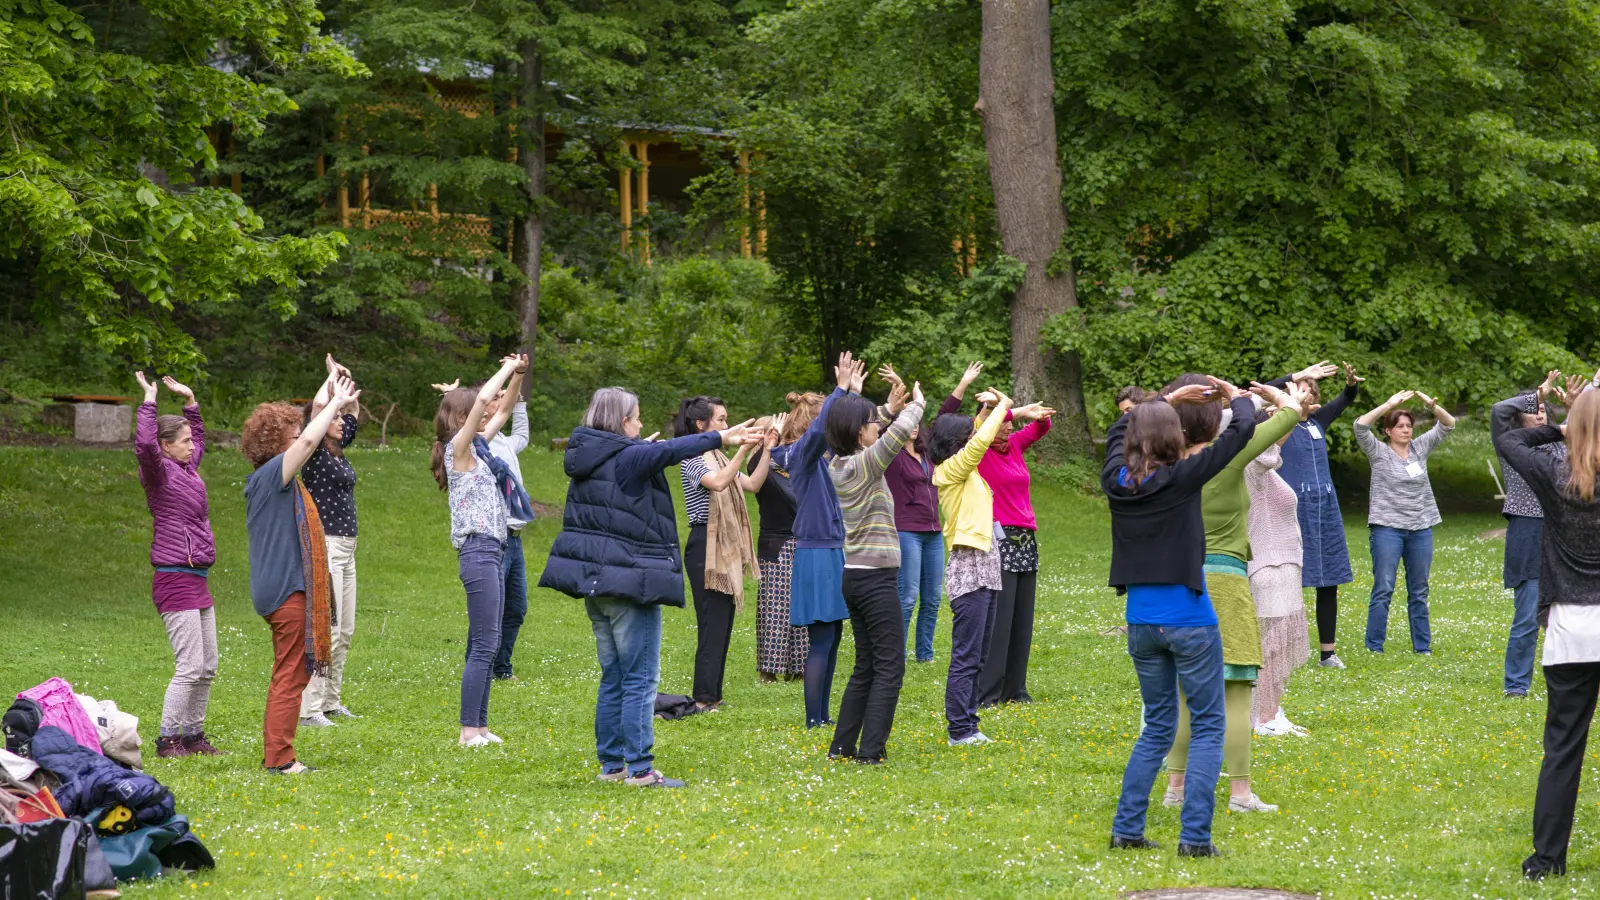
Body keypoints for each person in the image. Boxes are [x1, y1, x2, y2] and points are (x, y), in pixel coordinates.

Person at [539, 387, 759, 787]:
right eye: (637, 418)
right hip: (629, 583)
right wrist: (722, 438)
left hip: (598, 584)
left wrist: (641, 450)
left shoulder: (591, 456)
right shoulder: (629, 457)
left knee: (614, 676)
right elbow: (671, 452)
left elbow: (643, 461)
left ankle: (612, 766)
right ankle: (640, 769)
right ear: (623, 422)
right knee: (640, 678)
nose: (642, 425)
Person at [1104, 379, 1256, 857]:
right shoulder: (1182, 476)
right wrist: (1236, 396)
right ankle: (1194, 839)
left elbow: (1117, 433)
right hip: (1189, 619)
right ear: (1173, 437)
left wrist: (1160, 404)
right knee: (1209, 725)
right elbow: (1242, 430)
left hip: (1141, 622)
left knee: (1157, 726)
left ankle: (1127, 830)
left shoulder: (1117, 481)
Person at [1160, 377, 1302, 814]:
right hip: (1226, 580)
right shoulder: (1228, 457)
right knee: (1237, 692)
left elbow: (1129, 425)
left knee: (1186, 692)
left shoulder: (1159, 462)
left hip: (1178, 583)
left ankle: (1174, 789)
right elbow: (1291, 411)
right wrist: (1239, 396)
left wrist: (1169, 402)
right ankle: (1240, 794)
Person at [1496, 388, 1600, 880]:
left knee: (1562, 748)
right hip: (1575, 623)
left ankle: (1547, 861)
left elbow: (1509, 441)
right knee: (1561, 747)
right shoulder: (1559, 472)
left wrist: (1563, 428)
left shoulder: (1554, 473)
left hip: (1572, 629)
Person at [241, 374, 359, 775]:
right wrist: (334, 404)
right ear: (277, 446)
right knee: (290, 676)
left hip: (283, 588)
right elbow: (309, 440)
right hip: (285, 590)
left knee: (291, 672)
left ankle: (279, 752)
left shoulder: (273, 479)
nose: (303, 440)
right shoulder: (273, 476)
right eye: (293, 436)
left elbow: (305, 436)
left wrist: (327, 390)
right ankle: (279, 758)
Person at [929, 387, 1050, 747]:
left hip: (986, 559)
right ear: (957, 443)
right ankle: (959, 729)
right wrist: (1007, 407)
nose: (975, 437)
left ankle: (970, 724)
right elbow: (981, 439)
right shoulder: (951, 469)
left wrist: (990, 409)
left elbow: (981, 432)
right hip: (968, 563)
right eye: (968, 435)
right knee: (967, 654)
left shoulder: (966, 469)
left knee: (979, 652)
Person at [825, 372, 926, 763]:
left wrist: (882, 409)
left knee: (866, 665)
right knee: (890, 666)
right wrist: (917, 404)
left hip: (856, 575)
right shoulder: (865, 466)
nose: (877, 427)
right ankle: (871, 752)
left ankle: (842, 747)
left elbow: (876, 429)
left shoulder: (840, 464)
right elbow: (896, 436)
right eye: (872, 424)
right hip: (875, 579)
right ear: (857, 431)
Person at [430, 355, 529, 748]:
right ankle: (468, 729)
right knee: (485, 643)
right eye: (475, 413)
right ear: (461, 419)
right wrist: (504, 370)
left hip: (496, 548)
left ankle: (481, 727)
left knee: (488, 642)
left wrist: (518, 375)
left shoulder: (483, 448)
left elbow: (503, 406)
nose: (486, 414)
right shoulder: (458, 450)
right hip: (478, 552)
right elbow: (488, 400)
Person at [133, 371, 222, 758]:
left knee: (209, 664)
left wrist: (191, 403)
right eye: (183, 442)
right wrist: (149, 402)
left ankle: (193, 736)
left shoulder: (187, 468)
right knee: (189, 666)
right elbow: (143, 447)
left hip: (197, 577)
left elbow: (198, 439)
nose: (191, 447)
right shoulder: (157, 472)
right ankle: (167, 739)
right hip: (174, 578)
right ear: (165, 446)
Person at [775, 353, 860, 728]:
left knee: (833, 637)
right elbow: (817, 434)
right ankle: (814, 720)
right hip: (817, 555)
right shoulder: (802, 456)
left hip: (831, 552)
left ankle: (823, 716)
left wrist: (852, 397)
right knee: (822, 640)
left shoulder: (821, 457)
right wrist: (839, 391)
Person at [673, 395, 770, 711]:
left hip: (723, 545)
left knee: (723, 623)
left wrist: (766, 447)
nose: (727, 425)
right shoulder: (693, 459)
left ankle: (713, 695)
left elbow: (753, 484)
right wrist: (742, 448)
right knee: (711, 624)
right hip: (705, 544)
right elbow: (717, 484)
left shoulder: (717, 456)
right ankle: (703, 698)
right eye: (721, 420)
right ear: (702, 425)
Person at [1268, 361, 1362, 668]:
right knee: (1288, 579)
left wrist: (1350, 385)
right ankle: (1282, 651)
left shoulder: (1318, 420)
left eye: (1309, 388)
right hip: (1292, 511)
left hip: (1325, 511)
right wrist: (1292, 378)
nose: (1304, 392)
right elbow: (1260, 390)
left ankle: (1327, 653)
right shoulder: (1275, 422)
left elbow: (1345, 400)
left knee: (1328, 580)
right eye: (1298, 388)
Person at [1355, 389, 1457, 654]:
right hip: (1387, 529)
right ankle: (1374, 646)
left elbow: (1448, 424)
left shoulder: (1419, 448)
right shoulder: (1378, 452)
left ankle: (1422, 647)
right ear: (1388, 430)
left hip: (1421, 528)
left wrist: (1434, 407)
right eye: (1399, 426)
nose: (1406, 430)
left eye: (1409, 426)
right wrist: (1388, 404)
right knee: (1384, 587)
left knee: (1419, 591)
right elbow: (1360, 426)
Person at [297, 355, 363, 728]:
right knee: (329, 629)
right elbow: (320, 408)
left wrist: (346, 382)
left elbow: (351, 412)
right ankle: (310, 709)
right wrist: (329, 379)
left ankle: (333, 701)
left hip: (347, 549)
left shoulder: (338, 449)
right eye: (334, 420)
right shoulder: (316, 455)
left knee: (347, 630)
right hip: (327, 546)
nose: (341, 423)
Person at [1492, 372, 1567, 698]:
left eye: (1542, 408)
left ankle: (1566, 683)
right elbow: (1497, 411)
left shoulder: (1563, 447)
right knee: (1526, 616)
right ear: (1519, 417)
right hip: (1527, 530)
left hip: (1564, 534)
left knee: (1567, 616)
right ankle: (1516, 686)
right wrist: (1538, 393)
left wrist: (1577, 403)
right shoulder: (1513, 448)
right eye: (1531, 408)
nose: (1539, 411)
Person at [1244, 408, 1311, 736]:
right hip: (1268, 565)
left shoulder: (1264, 468)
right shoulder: (1253, 464)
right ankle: (1263, 716)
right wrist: (1289, 408)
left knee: (1281, 645)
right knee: (1272, 645)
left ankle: (1271, 710)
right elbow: (1273, 443)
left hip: (1284, 565)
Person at [483, 357, 532, 682]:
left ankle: (501, 667)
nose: (504, 400)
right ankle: (485, 666)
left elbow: (524, 436)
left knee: (516, 608)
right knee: (491, 609)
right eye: (498, 397)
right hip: (495, 537)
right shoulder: (481, 440)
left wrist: (521, 403)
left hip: (514, 539)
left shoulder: (505, 442)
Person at [751, 408, 804, 683]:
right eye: (773, 431)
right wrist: (767, 446)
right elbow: (752, 468)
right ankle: (768, 670)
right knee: (775, 608)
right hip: (777, 543)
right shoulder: (761, 466)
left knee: (802, 607)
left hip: (802, 541)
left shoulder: (788, 467)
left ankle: (799, 668)